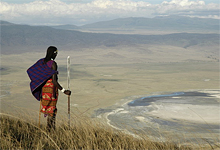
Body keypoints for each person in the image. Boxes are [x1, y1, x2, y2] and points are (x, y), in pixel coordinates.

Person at [27, 46, 71, 131]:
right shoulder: (53, 64)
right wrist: (64, 90)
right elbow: (54, 81)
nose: (56, 55)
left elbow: (32, 70)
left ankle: (49, 130)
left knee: (49, 110)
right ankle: (50, 130)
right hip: (51, 90)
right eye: (56, 54)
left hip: (44, 89)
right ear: (53, 53)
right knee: (52, 111)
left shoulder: (41, 62)